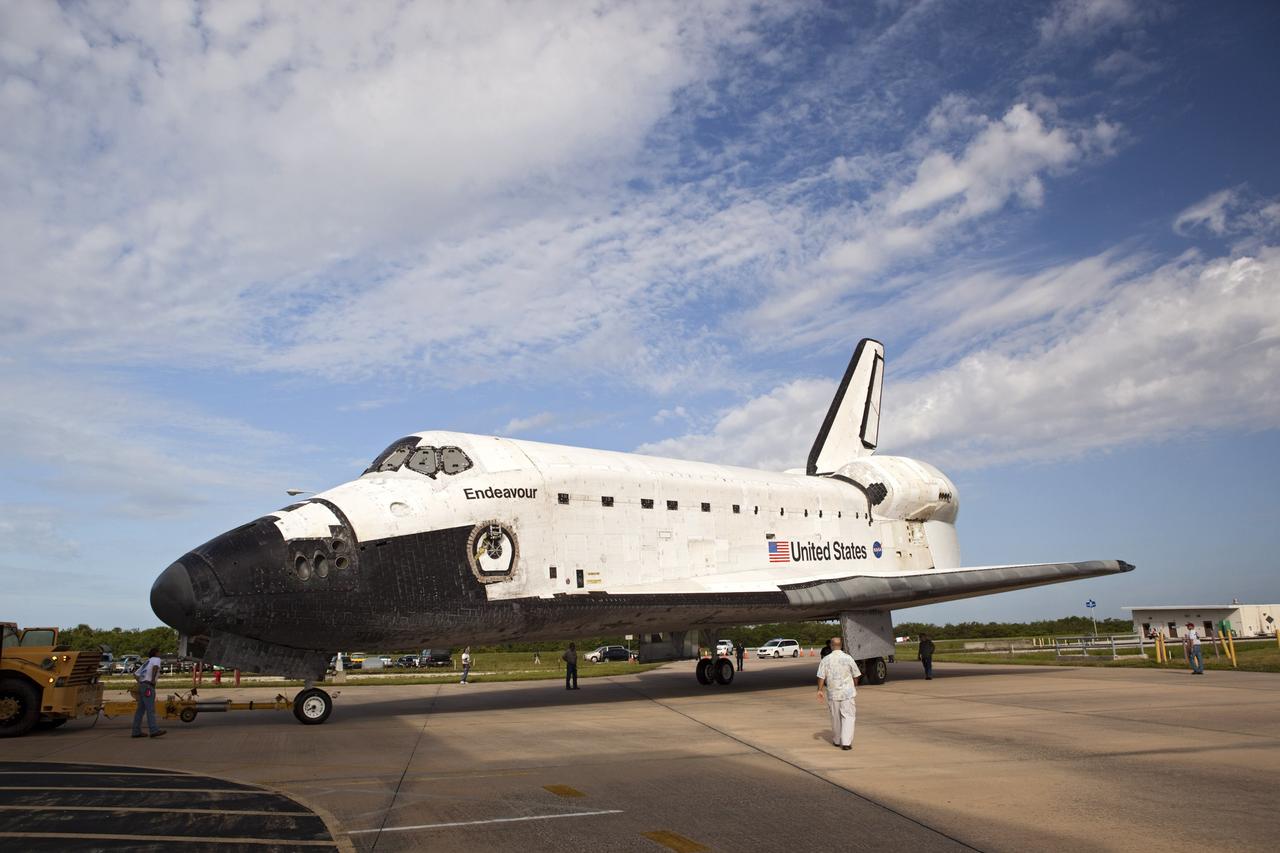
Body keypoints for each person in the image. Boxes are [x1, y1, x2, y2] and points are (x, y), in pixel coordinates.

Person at [815, 637, 861, 750]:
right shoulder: (848, 658)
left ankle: (836, 740)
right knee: (848, 717)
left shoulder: (826, 659)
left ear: (831, 645)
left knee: (835, 717)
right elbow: (856, 674)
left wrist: (820, 690)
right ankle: (846, 743)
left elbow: (821, 676)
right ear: (841, 645)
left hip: (833, 693)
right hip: (847, 693)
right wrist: (854, 685)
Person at [131, 647, 166, 739]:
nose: (160, 654)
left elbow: (135, 674)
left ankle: (136, 731)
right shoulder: (156, 659)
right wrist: (152, 680)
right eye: (159, 652)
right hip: (148, 687)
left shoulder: (147, 662)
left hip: (143, 686)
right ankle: (154, 730)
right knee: (150, 709)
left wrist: (141, 682)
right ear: (156, 653)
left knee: (140, 710)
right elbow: (155, 667)